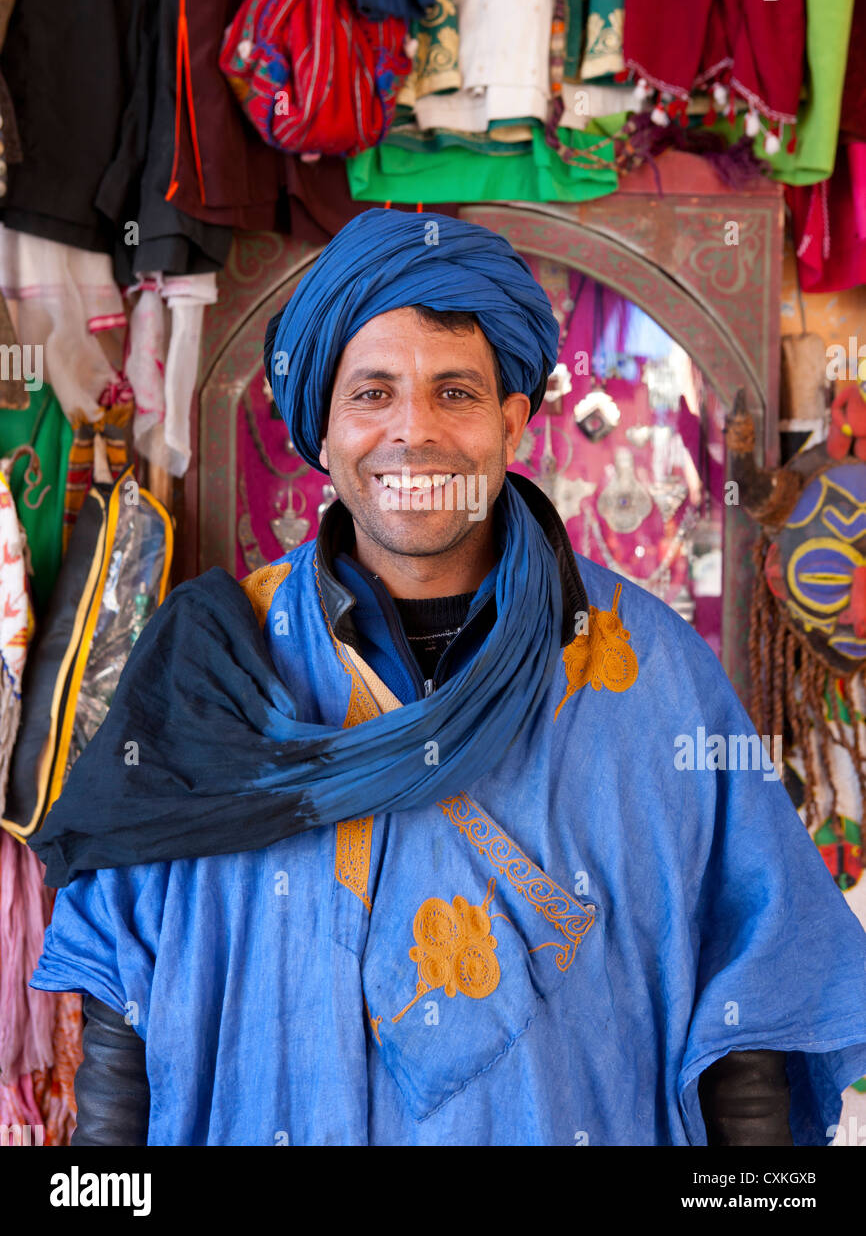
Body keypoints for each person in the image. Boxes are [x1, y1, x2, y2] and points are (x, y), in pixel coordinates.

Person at [29, 209, 866, 1146]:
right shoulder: (214, 667)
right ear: (324, 426)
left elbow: (749, 1011)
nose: (413, 432)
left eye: (456, 393)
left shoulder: (650, 673)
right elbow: (118, 1013)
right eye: (374, 394)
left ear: (513, 419)